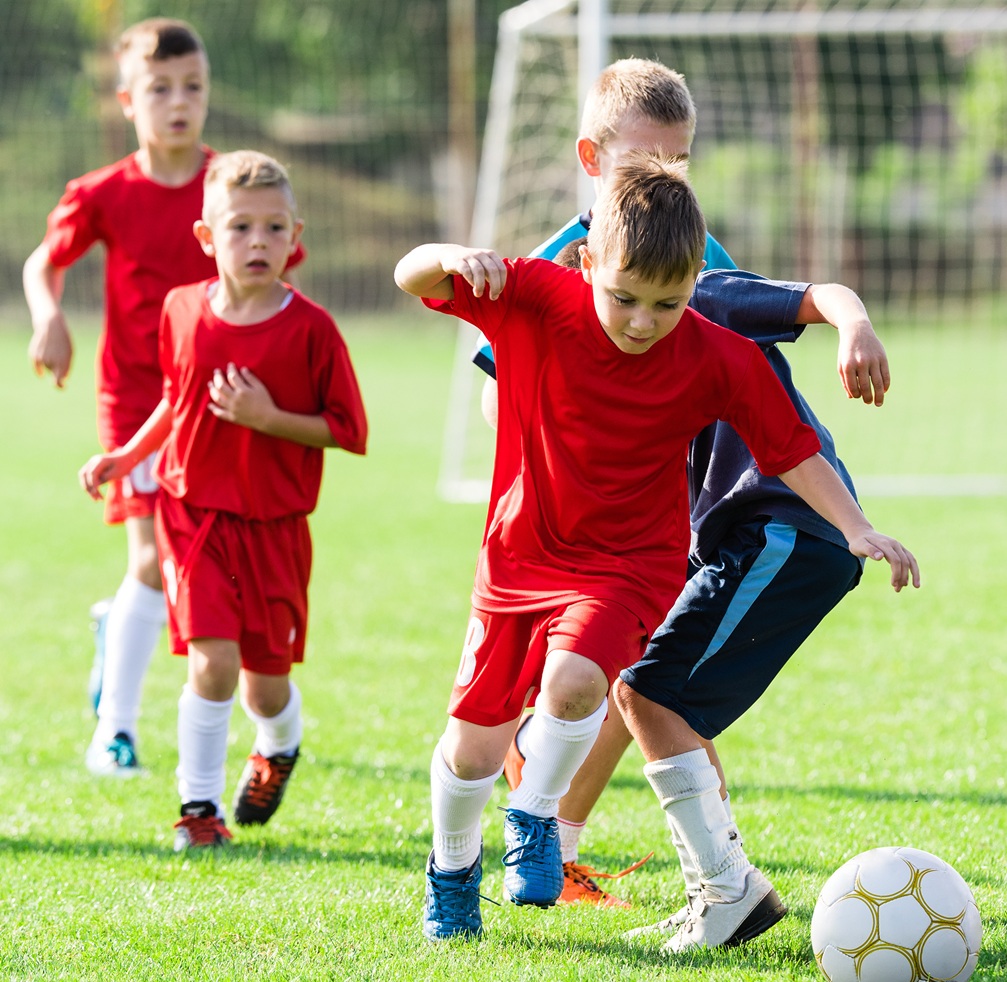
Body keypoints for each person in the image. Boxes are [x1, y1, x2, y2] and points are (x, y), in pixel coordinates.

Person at [394, 150, 918, 942]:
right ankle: (451, 871)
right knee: (471, 751)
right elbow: (413, 278)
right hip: (518, 557)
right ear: (586, 263)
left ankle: (534, 817)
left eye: (667, 305)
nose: (643, 321)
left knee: (576, 684)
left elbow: (790, 448)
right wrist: (446, 257)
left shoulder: (717, 353)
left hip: (628, 565)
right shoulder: (536, 298)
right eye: (625, 299)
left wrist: (855, 527)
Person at [479, 56, 893, 912]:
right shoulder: (560, 269)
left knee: (641, 686)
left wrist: (851, 320)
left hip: (730, 516)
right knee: (638, 684)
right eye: (646, 164)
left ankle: (688, 878)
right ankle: (665, 871)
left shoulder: (692, 264)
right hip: (622, 519)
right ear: (593, 162)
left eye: (680, 164)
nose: (668, 183)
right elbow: (504, 396)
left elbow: (767, 336)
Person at [23, 18, 305, 777]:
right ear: (126, 101)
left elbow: (279, 273)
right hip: (135, 403)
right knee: (152, 564)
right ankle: (114, 730)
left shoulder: (233, 189)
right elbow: (41, 265)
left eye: (193, 87)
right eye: (160, 89)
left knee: (180, 570)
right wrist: (50, 318)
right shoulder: (104, 192)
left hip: (213, 407)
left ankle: (117, 630)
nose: (179, 103)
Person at [78, 150, 367, 850]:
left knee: (262, 687)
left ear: (295, 235)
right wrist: (125, 457)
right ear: (208, 236)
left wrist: (268, 419)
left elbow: (348, 431)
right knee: (211, 663)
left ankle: (279, 744)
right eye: (240, 228)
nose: (259, 243)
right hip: (192, 516)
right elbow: (176, 402)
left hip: (273, 529)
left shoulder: (312, 329)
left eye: (274, 229)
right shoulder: (180, 309)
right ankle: (199, 811)